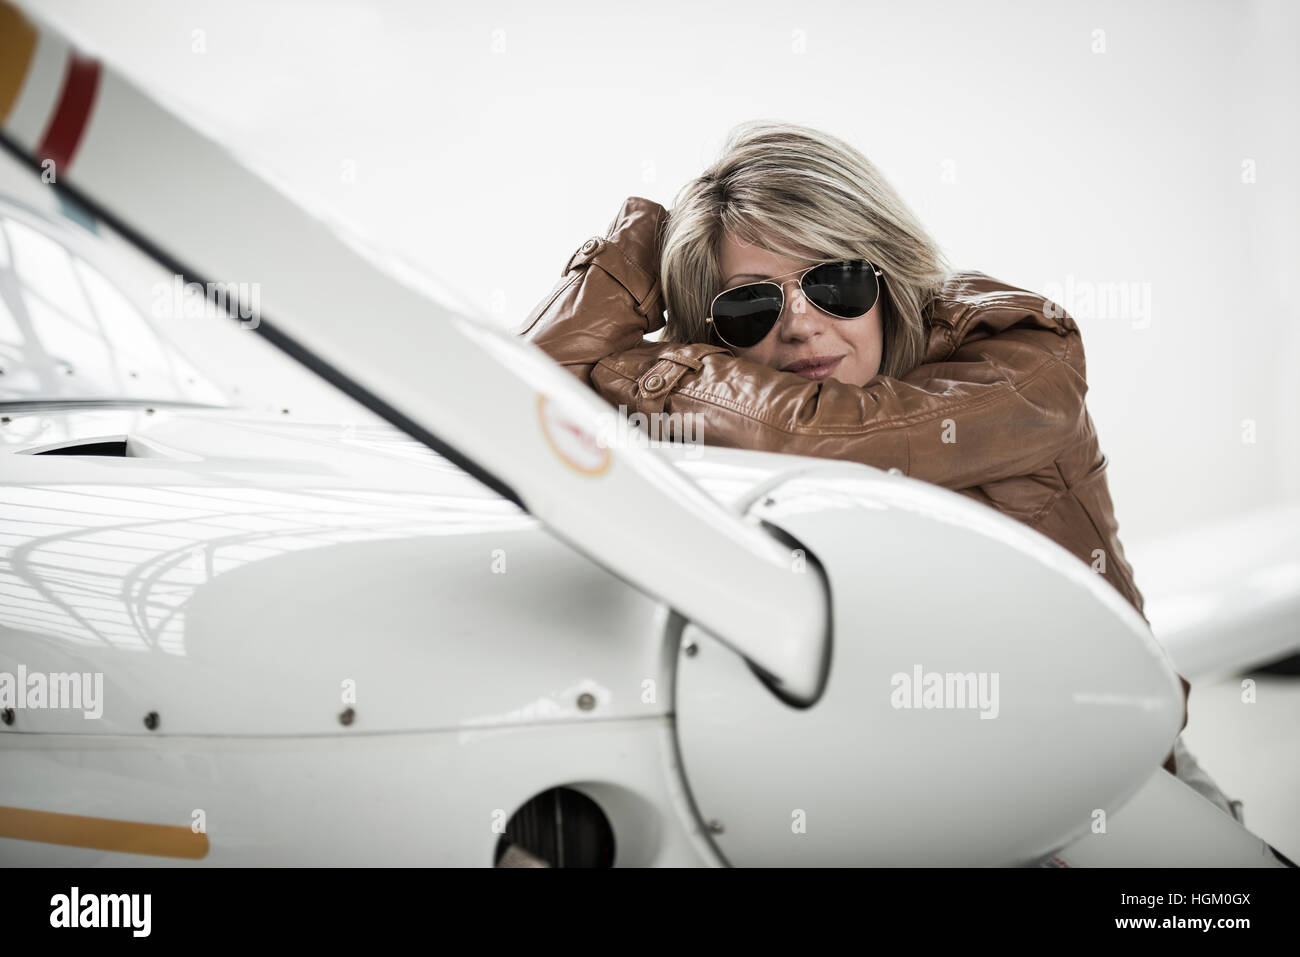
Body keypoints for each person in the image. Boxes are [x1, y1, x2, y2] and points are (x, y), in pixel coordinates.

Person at [519, 119, 1238, 817]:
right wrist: (624, 259)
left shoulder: (1022, 357)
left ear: (889, 273)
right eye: (749, 305)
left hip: (1120, 795)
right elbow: (517, 415)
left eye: (835, 282)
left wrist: (641, 365)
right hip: (907, 793)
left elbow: (836, 437)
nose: (800, 324)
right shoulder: (727, 412)